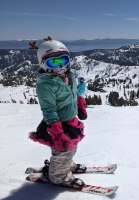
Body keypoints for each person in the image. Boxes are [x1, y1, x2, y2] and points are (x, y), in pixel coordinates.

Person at [28, 37, 87, 188]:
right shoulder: (46, 85)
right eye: (53, 62)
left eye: (64, 60)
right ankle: (58, 176)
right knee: (63, 149)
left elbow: (72, 93)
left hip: (70, 120)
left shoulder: (69, 75)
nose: (60, 65)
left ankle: (64, 164)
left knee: (71, 147)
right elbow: (49, 110)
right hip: (57, 125)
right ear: (43, 64)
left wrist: (79, 104)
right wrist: (57, 133)